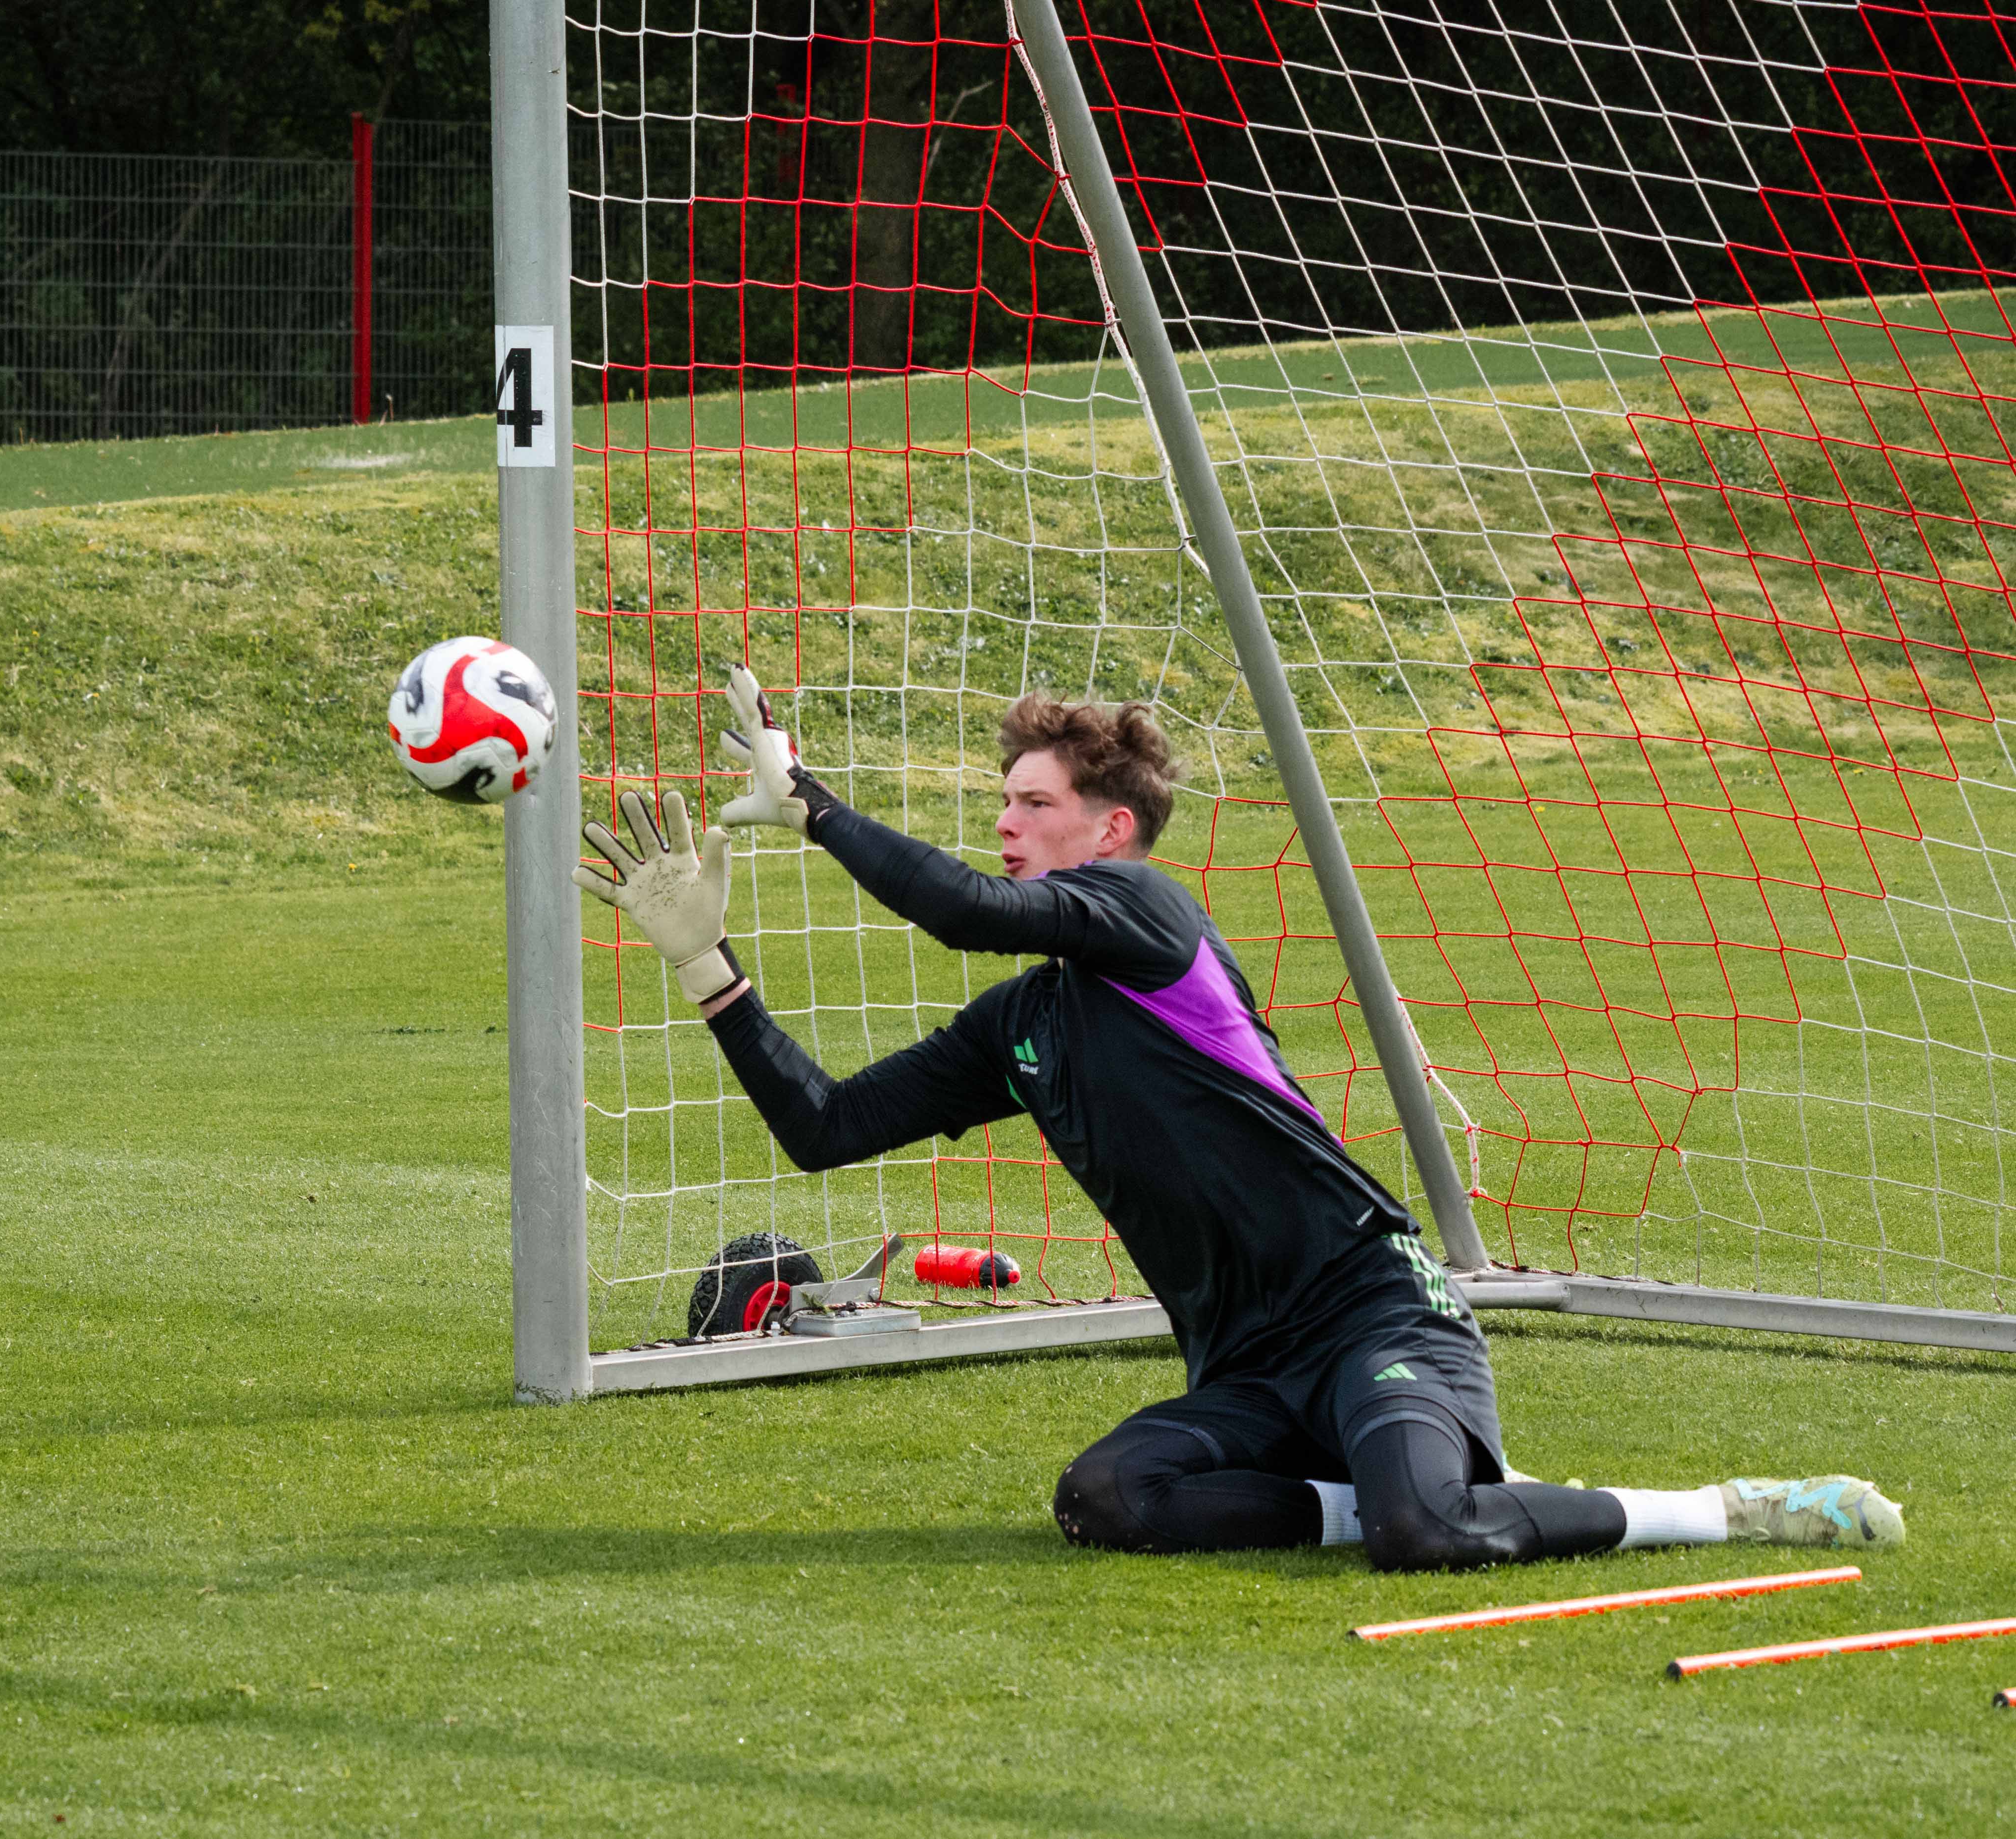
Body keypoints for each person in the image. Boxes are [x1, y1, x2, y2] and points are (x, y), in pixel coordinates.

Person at [572, 666, 1902, 1570]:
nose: (1005, 821)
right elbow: (822, 1124)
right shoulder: (1020, 1027)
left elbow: (965, 907)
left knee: (1422, 1538)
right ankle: (1384, 1485)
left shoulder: (1154, 919)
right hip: (1246, 1370)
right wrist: (707, 963)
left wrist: (813, 806)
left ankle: (1728, 1508)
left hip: (1377, 1314)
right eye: (1005, 800)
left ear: (1112, 828)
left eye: (1032, 803)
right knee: (1103, 1500)